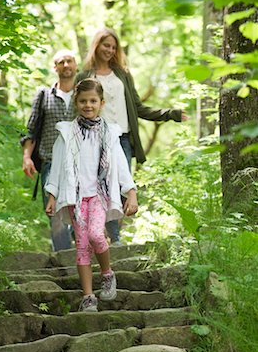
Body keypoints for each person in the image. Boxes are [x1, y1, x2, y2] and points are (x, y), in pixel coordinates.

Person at [75, 27, 188, 244]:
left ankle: (110, 234)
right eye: (106, 45)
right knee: (102, 187)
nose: (110, 50)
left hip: (124, 139)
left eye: (114, 47)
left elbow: (138, 107)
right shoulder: (85, 76)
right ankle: (112, 239)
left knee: (122, 187)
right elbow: (78, 109)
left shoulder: (123, 75)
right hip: (96, 139)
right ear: (96, 45)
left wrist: (170, 114)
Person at [45, 78, 138, 312]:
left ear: (101, 103)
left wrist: (131, 193)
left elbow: (120, 164)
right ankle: (88, 296)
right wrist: (52, 194)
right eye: (83, 101)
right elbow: (56, 166)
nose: (88, 105)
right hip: (74, 199)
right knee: (82, 245)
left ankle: (107, 273)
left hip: (99, 194)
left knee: (97, 235)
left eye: (93, 101)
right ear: (76, 102)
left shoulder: (109, 133)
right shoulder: (66, 133)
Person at [21, 49, 77, 251]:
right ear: (55, 67)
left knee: (78, 209)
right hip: (50, 162)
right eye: (61, 62)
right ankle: (64, 258)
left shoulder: (84, 94)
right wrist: (27, 157)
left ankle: (75, 250)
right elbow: (31, 129)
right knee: (54, 213)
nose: (65, 65)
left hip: (79, 162)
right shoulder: (44, 95)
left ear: (76, 65)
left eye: (69, 61)